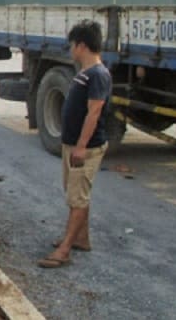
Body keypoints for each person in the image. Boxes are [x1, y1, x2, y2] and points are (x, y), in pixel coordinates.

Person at [38, 20, 111, 268]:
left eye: (72, 45)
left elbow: (94, 113)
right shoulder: (85, 72)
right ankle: (81, 238)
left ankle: (65, 250)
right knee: (76, 194)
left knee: (77, 197)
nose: (70, 49)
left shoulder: (98, 75)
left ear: (81, 45)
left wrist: (81, 146)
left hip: (86, 148)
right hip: (73, 144)